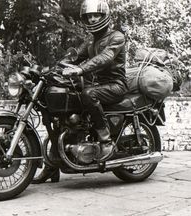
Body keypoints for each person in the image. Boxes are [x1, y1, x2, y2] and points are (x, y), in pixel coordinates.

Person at [32, 0, 127, 184]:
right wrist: (55, 67)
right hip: (97, 85)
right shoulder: (91, 41)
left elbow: (105, 58)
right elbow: (74, 57)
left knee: (88, 94)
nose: (92, 19)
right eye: (89, 16)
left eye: (95, 15)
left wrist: (81, 69)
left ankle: (106, 141)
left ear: (104, 15)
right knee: (61, 120)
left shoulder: (116, 37)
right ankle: (51, 167)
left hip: (116, 85)